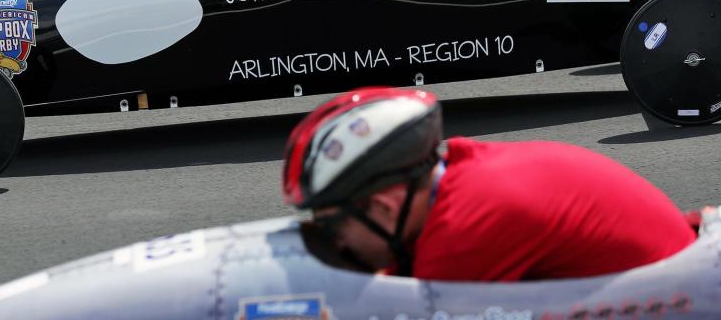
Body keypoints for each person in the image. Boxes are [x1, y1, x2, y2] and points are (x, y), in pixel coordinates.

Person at [282, 87, 697, 280]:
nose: (333, 243)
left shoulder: (462, 231)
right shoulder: (452, 169)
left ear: (386, 208)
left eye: (334, 227)